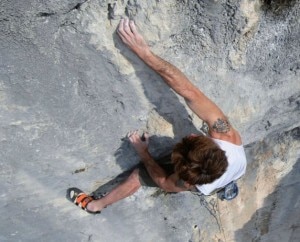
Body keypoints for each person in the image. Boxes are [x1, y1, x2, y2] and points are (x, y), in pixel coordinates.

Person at [66, 18, 247, 214]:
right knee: (221, 176)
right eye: (195, 139)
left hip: (212, 181)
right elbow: (189, 92)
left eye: (188, 141)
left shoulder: (188, 183)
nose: (192, 135)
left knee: (138, 176)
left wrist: (143, 153)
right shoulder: (226, 135)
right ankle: (226, 185)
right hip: (234, 170)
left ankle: (95, 205)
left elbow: (164, 183)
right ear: (211, 144)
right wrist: (145, 53)